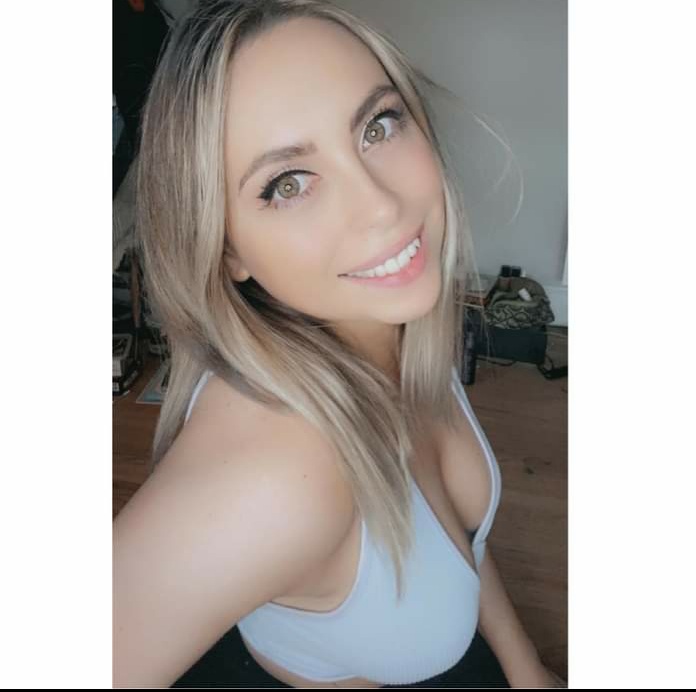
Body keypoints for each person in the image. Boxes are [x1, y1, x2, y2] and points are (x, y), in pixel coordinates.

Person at [113, 0, 566, 687]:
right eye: (287, 184)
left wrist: (527, 669)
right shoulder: (274, 477)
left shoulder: (393, 321)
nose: (382, 206)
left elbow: (460, 537)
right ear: (225, 248)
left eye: (378, 125)